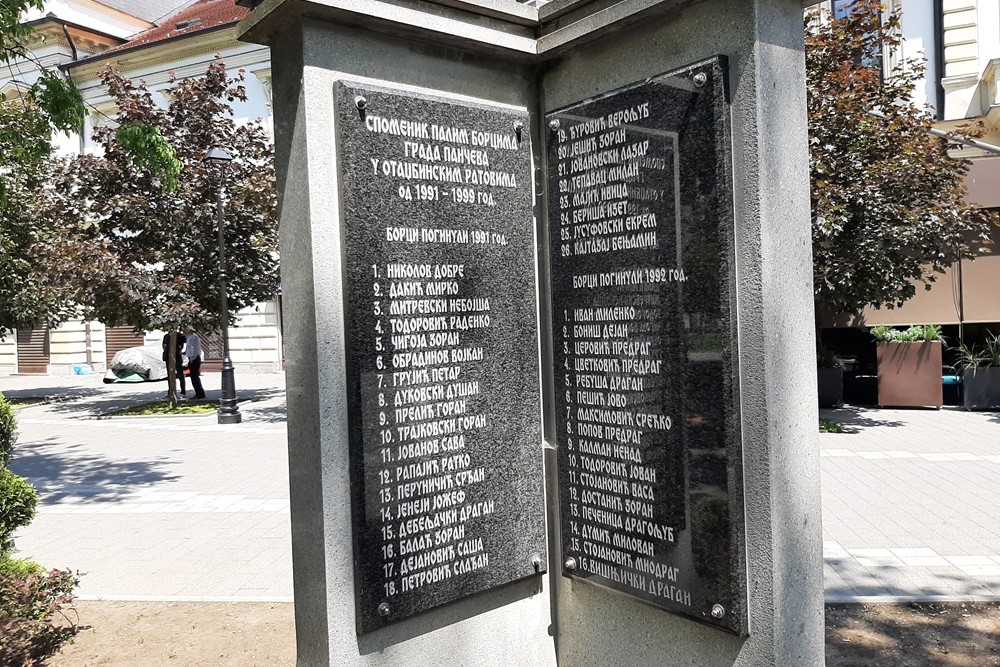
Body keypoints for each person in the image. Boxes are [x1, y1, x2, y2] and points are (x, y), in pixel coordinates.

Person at [162, 330, 187, 397]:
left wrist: (182, 350)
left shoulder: (180, 336)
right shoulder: (166, 336)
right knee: (170, 375)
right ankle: (170, 392)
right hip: (168, 357)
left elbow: (185, 344)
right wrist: (166, 350)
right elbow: (164, 345)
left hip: (177, 356)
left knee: (180, 374)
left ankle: (183, 391)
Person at [185, 329, 206, 399]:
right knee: (194, 377)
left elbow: (193, 349)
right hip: (193, 358)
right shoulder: (190, 337)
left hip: (194, 359)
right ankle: (199, 393)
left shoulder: (193, 337)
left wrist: (192, 358)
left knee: (194, 377)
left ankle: (200, 394)